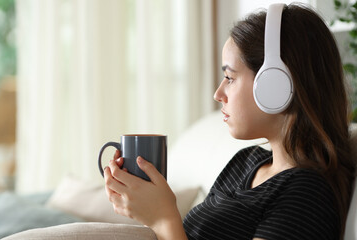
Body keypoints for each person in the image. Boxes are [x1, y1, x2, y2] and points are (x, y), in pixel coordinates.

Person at [103, 3, 356, 240]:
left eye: (230, 77)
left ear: (274, 85)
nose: (218, 93)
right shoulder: (245, 162)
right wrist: (147, 207)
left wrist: (163, 218)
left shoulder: (306, 195)